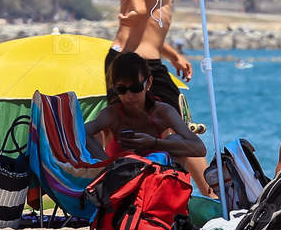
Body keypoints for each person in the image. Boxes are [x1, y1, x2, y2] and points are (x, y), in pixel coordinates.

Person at [84, 52, 209, 183]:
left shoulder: (162, 112)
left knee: (176, 139)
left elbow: (199, 149)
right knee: (90, 135)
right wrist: (108, 165)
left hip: (158, 186)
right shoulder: (111, 115)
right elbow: (81, 133)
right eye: (121, 89)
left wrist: (155, 142)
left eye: (135, 88)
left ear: (148, 83)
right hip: (121, 185)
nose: (129, 95)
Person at [105, 0, 192, 110]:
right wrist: (140, 9)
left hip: (139, 59)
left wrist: (173, 56)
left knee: (165, 118)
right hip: (132, 60)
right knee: (169, 118)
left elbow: (148, 32)